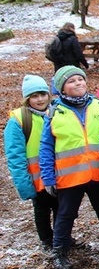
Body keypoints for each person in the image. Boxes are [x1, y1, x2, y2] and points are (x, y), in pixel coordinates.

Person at [39, 66, 99, 269]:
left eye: (80, 79)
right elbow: (46, 147)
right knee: (66, 214)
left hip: (98, 173)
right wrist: (48, 177)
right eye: (71, 81)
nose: (78, 83)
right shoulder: (55, 112)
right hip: (70, 175)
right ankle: (59, 251)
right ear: (62, 89)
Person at [5, 75, 58, 252]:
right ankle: (46, 240)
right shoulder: (19, 120)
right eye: (34, 96)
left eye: (43, 94)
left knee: (62, 209)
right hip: (37, 180)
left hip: (58, 175)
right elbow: (15, 156)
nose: (40, 99)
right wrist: (24, 185)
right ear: (27, 99)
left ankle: (61, 237)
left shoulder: (56, 112)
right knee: (42, 211)